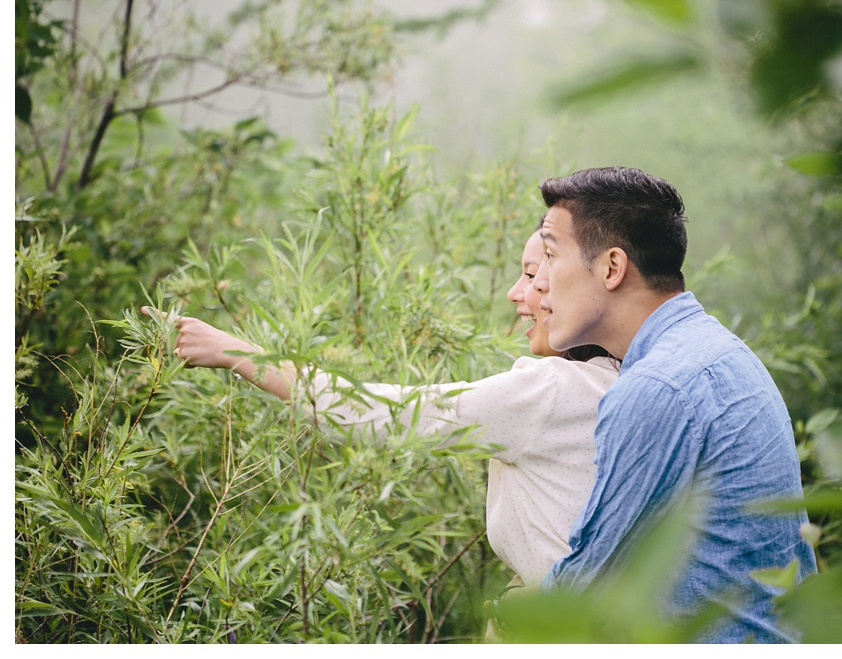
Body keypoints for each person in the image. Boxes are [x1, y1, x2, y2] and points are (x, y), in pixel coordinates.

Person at [141, 228, 618, 593]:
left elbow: (379, 413)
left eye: (536, 274)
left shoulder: (551, 391)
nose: (517, 292)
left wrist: (234, 351)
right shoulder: (615, 379)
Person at [530, 166, 817, 643]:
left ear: (612, 267)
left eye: (550, 255)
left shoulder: (659, 387)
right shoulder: (715, 350)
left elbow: (588, 587)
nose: (538, 283)